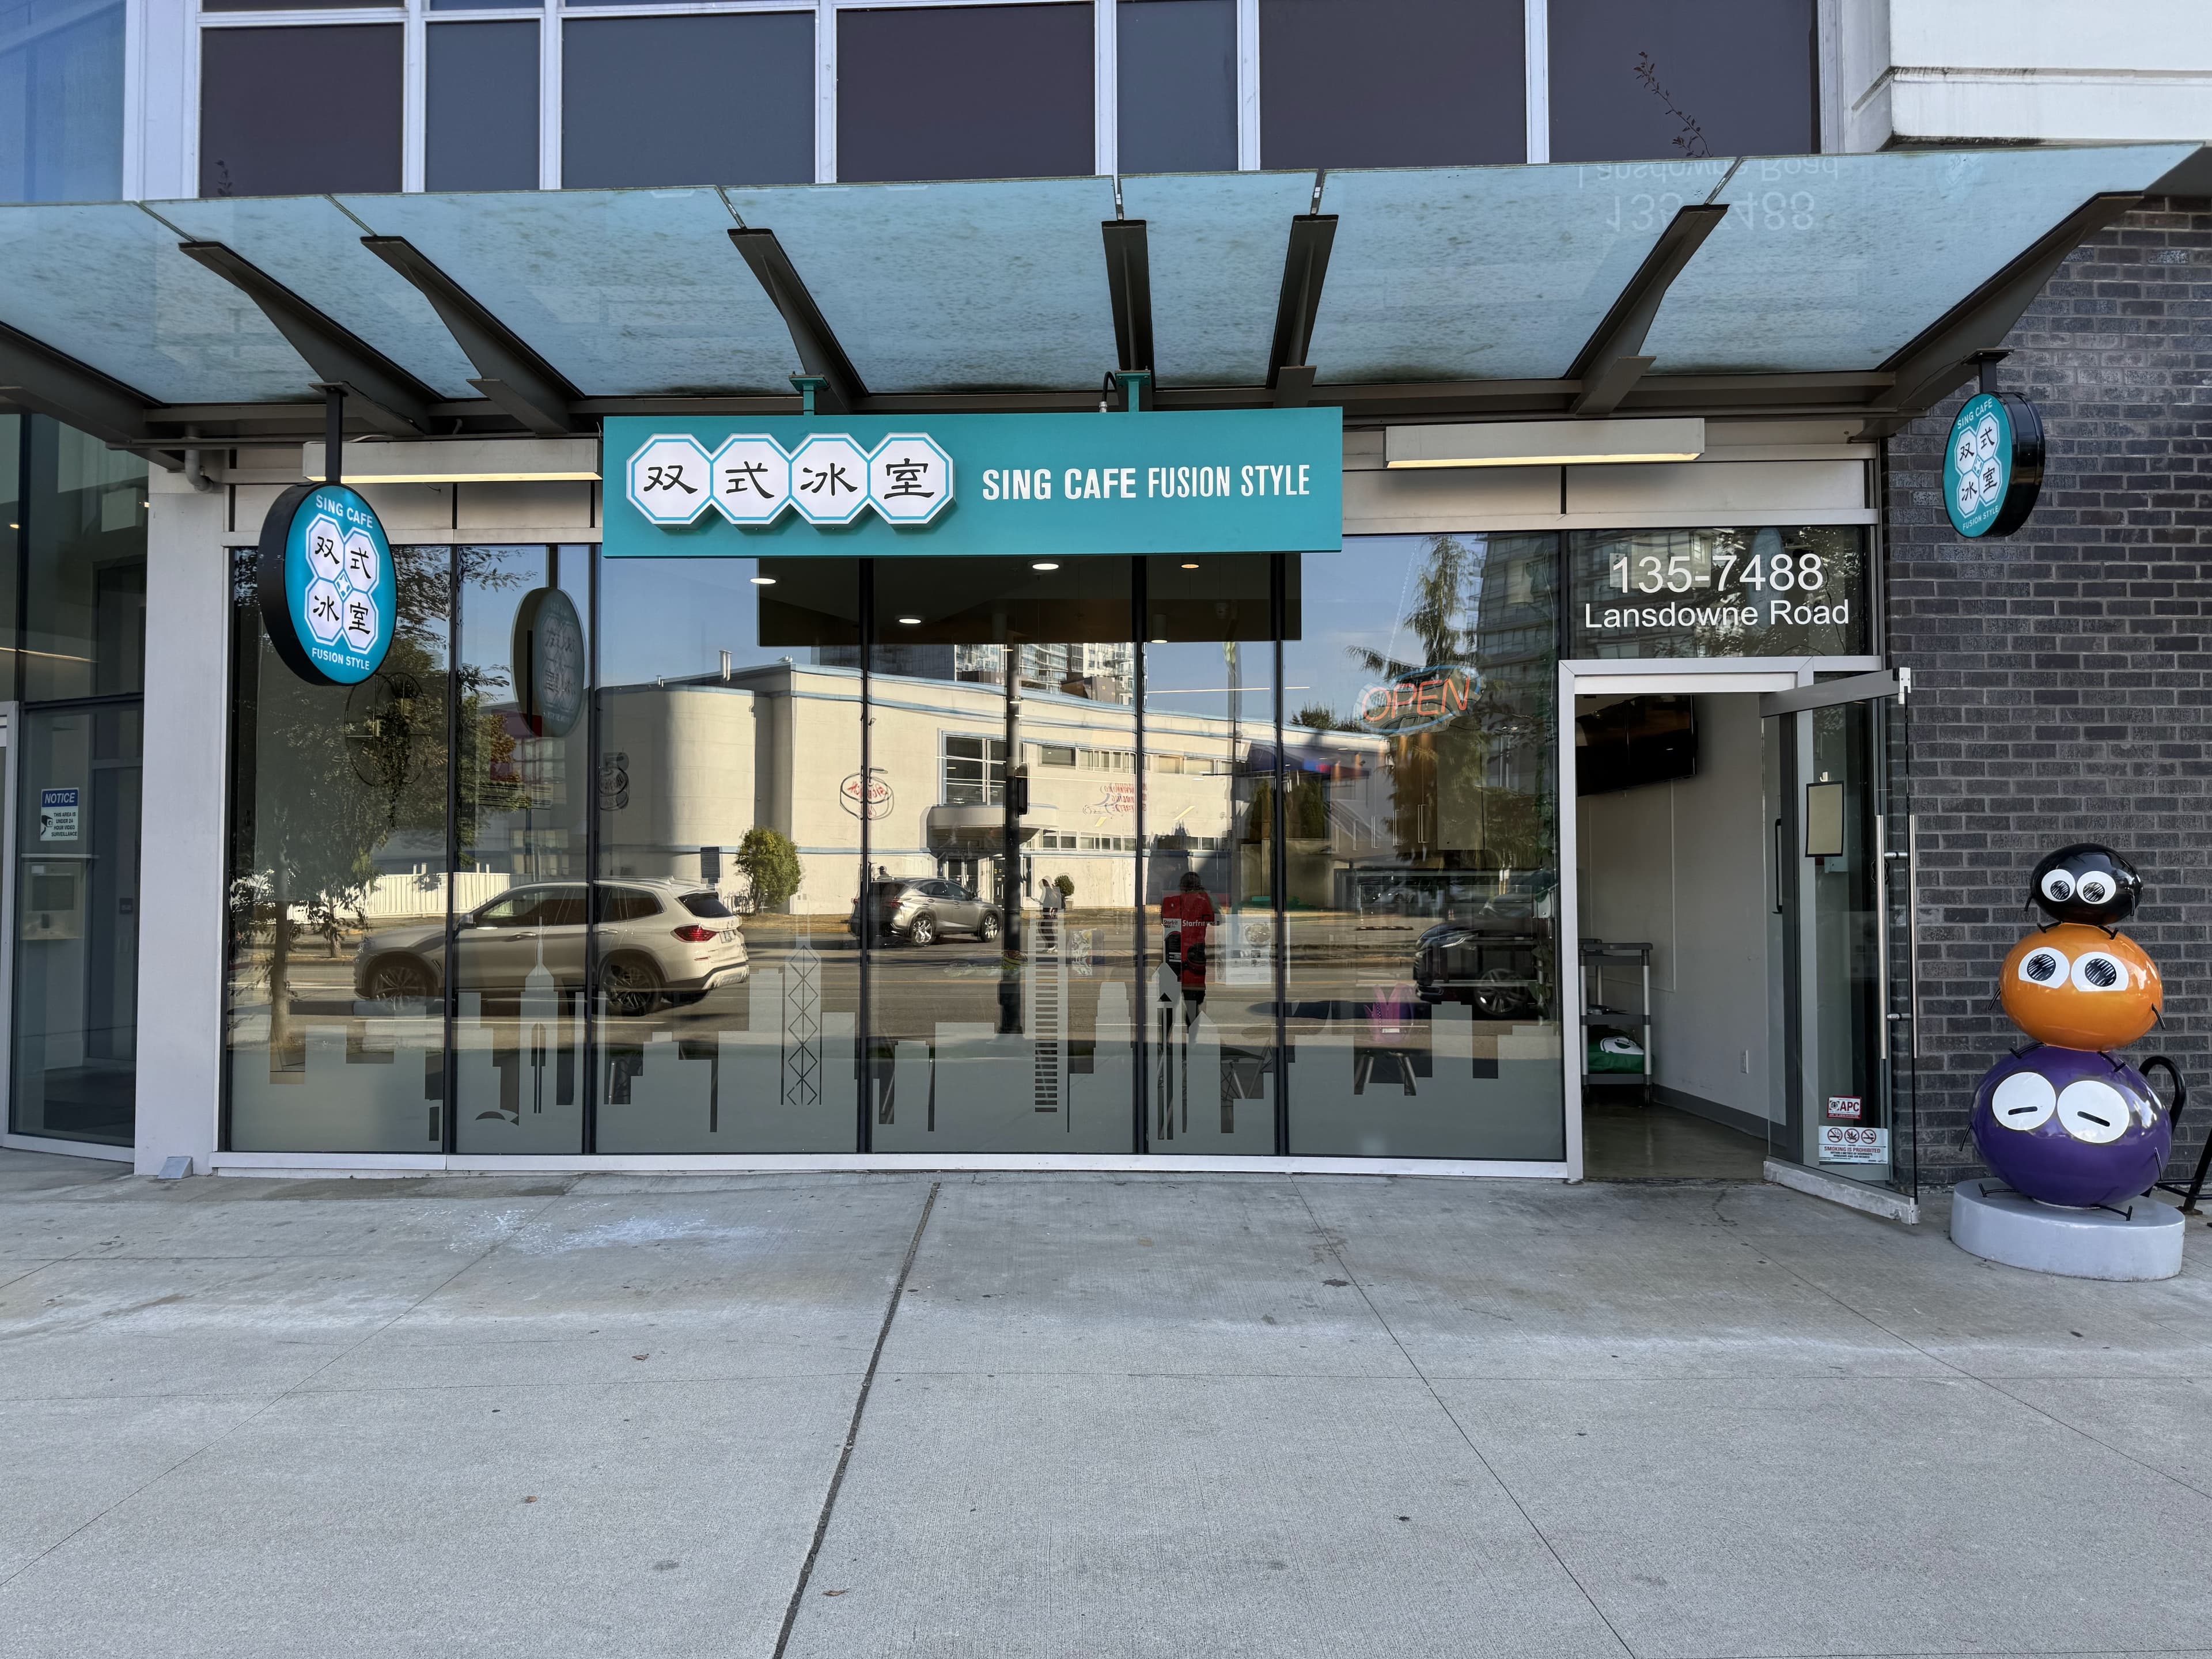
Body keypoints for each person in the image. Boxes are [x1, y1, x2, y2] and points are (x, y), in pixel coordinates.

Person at [1160, 871, 1218, 1013]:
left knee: (1169, 1003)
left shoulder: (1169, 902)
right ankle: (1192, 1026)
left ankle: (1167, 1026)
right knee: (1193, 1003)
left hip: (1173, 957)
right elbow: (1217, 920)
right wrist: (1206, 897)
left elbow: (1164, 920)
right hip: (1195, 957)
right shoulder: (1204, 902)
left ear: (1181, 886)